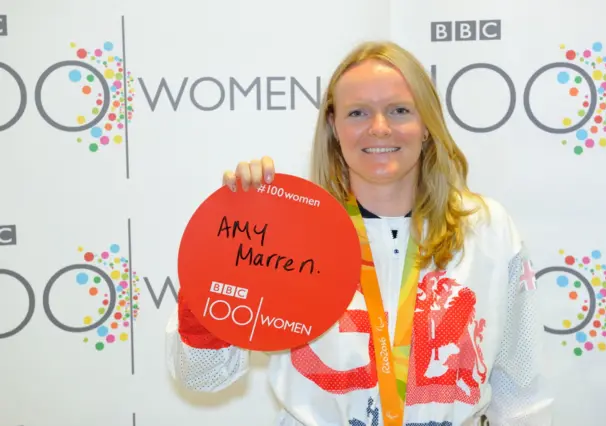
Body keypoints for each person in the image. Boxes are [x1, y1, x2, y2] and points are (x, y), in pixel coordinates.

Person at [165, 40, 553, 426]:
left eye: (399, 110)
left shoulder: (486, 228)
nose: (379, 128)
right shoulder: (289, 231)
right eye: (358, 113)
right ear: (334, 126)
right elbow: (202, 374)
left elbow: (519, 396)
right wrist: (230, 244)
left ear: (427, 125)